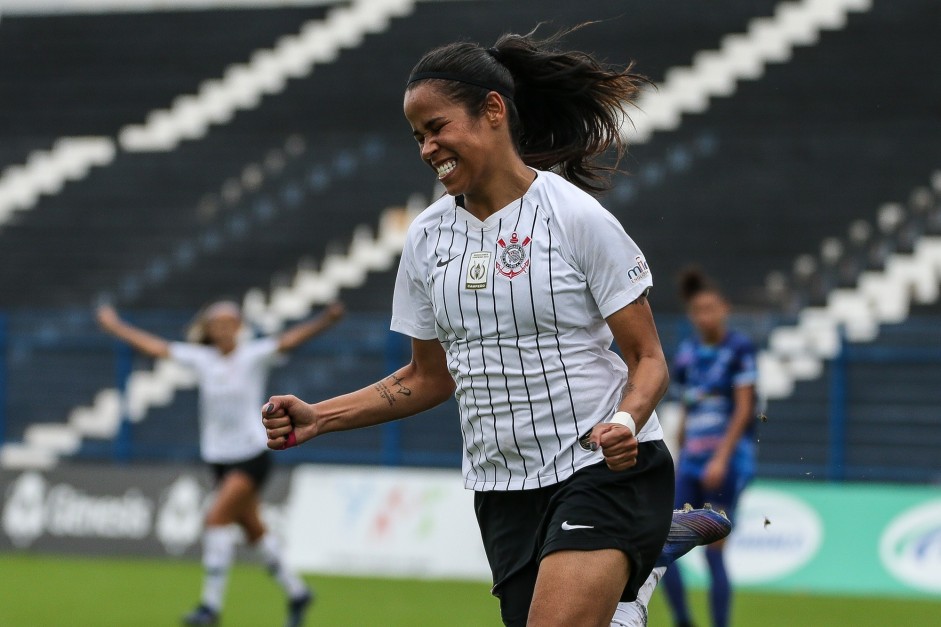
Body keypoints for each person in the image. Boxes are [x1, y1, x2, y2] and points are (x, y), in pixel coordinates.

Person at [262, 27, 721, 627]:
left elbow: (650, 360)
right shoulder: (426, 240)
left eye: (438, 127)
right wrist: (321, 416)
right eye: (418, 136)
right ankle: (644, 562)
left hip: (601, 468)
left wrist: (625, 421)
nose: (428, 147)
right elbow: (428, 378)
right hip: (503, 490)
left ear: (493, 112)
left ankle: (633, 546)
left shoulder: (577, 218)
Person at [97, 300, 345, 627]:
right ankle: (298, 592)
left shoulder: (252, 355)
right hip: (219, 460)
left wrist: (324, 321)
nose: (224, 329)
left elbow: (289, 341)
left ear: (239, 327)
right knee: (255, 531)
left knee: (215, 520)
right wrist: (116, 327)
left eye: (229, 323)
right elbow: (156, 348)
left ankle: (210, 607)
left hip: (251, 456)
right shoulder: (203, 359)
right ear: (209, 330)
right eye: (217, 324)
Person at [660, 269, 758, 627]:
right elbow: (687, 405)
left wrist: (722, 456)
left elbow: (745, 408)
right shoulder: (686, 355)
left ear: (724, 309)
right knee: (660, 542)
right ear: (691, 314)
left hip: (724, 462)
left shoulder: (739, 350)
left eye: (711, 308)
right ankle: (683, 620)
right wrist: (680, 446)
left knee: (714, 548)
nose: (705, 316)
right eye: (698, 310)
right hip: (690, 462)